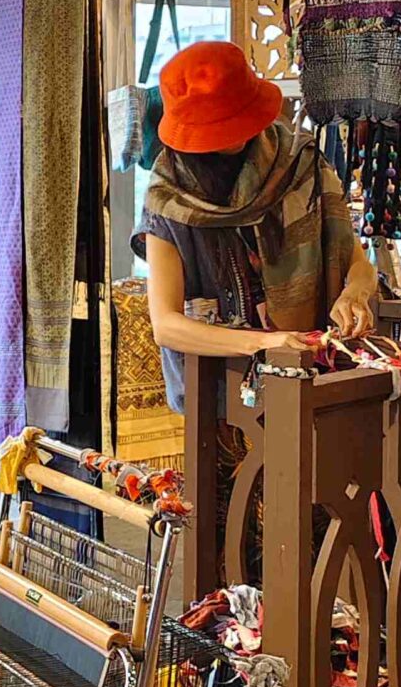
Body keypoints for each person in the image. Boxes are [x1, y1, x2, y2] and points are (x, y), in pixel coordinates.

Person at [138, 40, 378, 412]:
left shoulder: (300, 164)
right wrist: (264, 342)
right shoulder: (169, 196)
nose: (236, 135)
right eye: (221, 125)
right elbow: (166, 325)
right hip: (217, 391)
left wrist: (355, 294)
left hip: (310, 373)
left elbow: (358, 265)